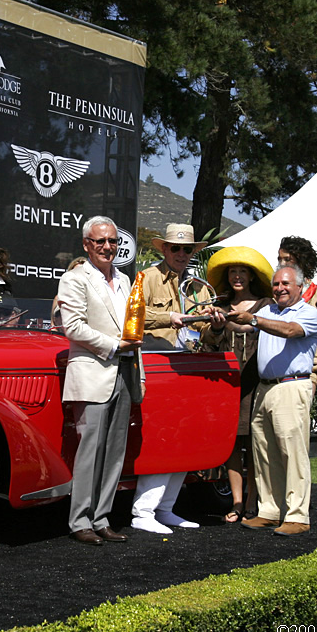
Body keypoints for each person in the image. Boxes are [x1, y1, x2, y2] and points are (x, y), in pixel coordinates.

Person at [214, 264, 317, 537]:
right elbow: (239, 323)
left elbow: (289, 331)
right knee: (263, 454)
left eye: (286, 284)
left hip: (291, 386)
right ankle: (269, 511)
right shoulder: (267, 311)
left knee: (292, 453)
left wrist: (253, 320)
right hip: (264, 389)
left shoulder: (308, 313)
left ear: (300, 286)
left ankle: (298, 515)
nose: (280, 288)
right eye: (276, 284)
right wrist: (219, 317)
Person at [58, 215, 144, 545]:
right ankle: (79, 520)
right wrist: (113, 345)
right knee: (90, 450)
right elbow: (74, 327)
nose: (108, 247)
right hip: (94, 372)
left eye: (112, 241)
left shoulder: (125, 280)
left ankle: (102, 517)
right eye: (100, 241)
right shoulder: (75, 279)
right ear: (87, 245)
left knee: (115, 451)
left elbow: (133, 326)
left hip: (125, 371)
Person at [130, 224, 206, 534]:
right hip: (156, 367)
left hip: (187, 369)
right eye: (176, 248)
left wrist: (212, 320)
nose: (182, 254)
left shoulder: (197, 285)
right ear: (164, 250)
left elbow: (202, 328)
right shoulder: (146, 278)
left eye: (187, 249)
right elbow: (132, 314)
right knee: (160, 442)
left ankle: (165, 508)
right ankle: (142, 512)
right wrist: (168, 317)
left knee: (183, 440)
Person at [202, 246, 274, 524]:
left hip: (255, 382)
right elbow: (209, 341)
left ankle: (255, 502)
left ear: (252, 275)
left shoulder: (266, 305)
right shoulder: (219, 307)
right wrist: (217, 326)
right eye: (233, 271)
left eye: (243, 271)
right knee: (231, 444)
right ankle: (237, 501)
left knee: (255, 445)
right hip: (226, 384)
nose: (237, 276)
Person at [277, 237, 317, 400]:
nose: (282, 263)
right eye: (280, 259)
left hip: (308, 370)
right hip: (276, 365)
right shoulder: (275, 290)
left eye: (287, 259)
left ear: (301, 260)